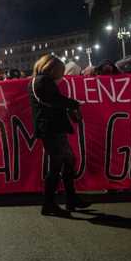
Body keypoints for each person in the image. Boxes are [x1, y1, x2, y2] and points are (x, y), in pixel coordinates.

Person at [29, 54, 89, 217]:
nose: (61, 75)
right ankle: (50, 203)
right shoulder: (43, 81)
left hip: (51, 128)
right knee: (57, 165)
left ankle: (69, 198)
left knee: (67, 161)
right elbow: (53, 100)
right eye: (60, 71)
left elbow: (52, 100)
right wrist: (74, 103)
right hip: (51, 128)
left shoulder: (39, 81)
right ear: (52, 69)